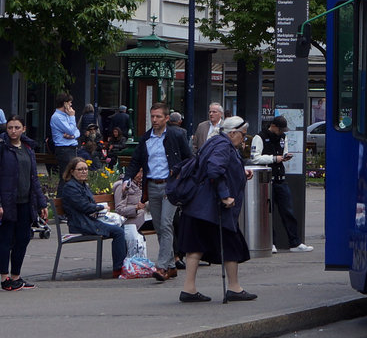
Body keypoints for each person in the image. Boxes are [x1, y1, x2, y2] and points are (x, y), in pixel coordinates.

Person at [177, 116, 255, 303]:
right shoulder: (223, 145)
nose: (243, 139)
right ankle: (234, 288)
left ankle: (189, 289)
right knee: (230, 244)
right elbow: (214, 170)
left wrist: (240, 172)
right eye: (242, 135)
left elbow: (216, 166)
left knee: (195, 246)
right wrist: (224, 196)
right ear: (233, 133)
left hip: (198, 207)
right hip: (212, 208)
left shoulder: (215, 142)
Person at [129, 102, 193, 282]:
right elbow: (136, 160)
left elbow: (189, 159)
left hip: (170, 186)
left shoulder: (176, 135)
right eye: (152, 116)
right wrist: (128, 178)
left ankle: (162, 266)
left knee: (165, 224)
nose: (154, 120)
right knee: (159, 226)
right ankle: (172, 266)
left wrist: (177, 169)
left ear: (166, 118)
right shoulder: (146, 138)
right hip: (152, 185)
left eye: (158, 116)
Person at [250, 116, 313, 253]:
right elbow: (255, 158)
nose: (281, 132)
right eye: (280, 129)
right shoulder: (259, 137)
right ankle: (270, 242)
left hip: (280, 178)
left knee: (288, 211)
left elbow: (283, 152)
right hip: (267, 179)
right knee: (268, 212)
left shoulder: (283, 138)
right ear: (273, 126)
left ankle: (295, 242)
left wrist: (285, 156)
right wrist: (273, 158)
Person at [0, 116, 49, 290]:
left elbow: (34, 178)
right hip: (7, 202)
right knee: (5, 239)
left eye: (16, 127)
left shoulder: (28, 148)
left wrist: (42, 204)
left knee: (23, 239)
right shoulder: (3, 147)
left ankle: (16, 276)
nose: (13, 131)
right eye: (10, 127)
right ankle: (5, 278)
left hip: (26, 202)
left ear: (24, 129)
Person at [59, 157, 127, 277]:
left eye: (85, 169)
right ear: (71, 171)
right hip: (80, 224)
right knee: (118, 232)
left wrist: (98, 208)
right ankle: (118, 269)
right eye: (80, 169)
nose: (84, 172)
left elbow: (90, 206)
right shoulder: (70, 187)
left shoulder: (83, 185)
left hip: (89, 220)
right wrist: (101, 208)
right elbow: (84, 206)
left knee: (124, 227)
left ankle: (125, 264)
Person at [50, 92, 80, 179]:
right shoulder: (57, 117)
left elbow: (77, 131)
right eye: (70, 102)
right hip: (64, 149)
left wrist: (73, 136)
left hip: (71, 148)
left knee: (72, 176)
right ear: (65, 103)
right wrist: (72, 117)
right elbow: (71, 130)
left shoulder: (66, 115)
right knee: (66, 177)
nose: (71, 105)